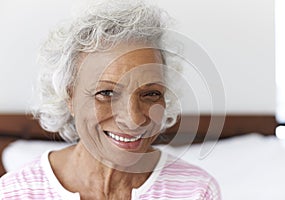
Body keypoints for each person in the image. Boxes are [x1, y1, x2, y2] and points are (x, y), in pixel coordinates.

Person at [0, 0, 221, 199]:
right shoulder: (13, 193)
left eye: (150, 94)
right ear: (70, 96)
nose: (133, 119)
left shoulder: (196, 191)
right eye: (106, 93)